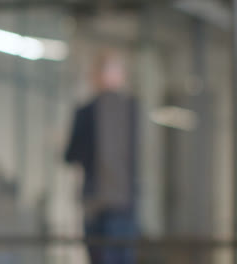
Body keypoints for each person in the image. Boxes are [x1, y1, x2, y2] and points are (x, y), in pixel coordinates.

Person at [65, 48, 139, 264]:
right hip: (110, 202)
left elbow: (71, 155)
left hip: (111, 203)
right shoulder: (91, 112)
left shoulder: (91, 112)